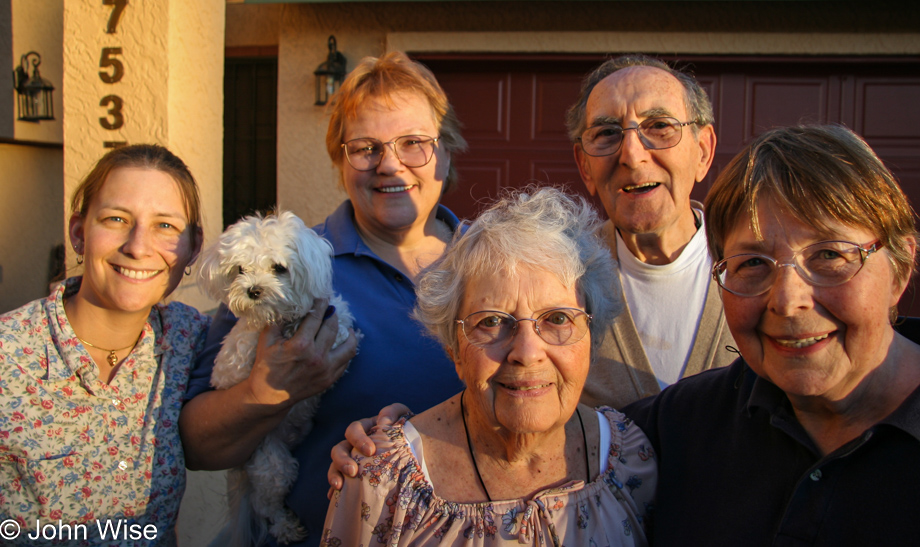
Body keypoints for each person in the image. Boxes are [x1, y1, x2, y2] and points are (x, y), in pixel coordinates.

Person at [179, 51, 469, 542]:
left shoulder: (493, 263)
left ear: (446, 150)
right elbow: (199, 447)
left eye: (414, 143)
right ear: (339, 158)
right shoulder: (289, 264)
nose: (390, 164)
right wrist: (264, 391)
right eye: (365, 147)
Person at [626, 124, 920, 545]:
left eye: (830, 254)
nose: (787, 300)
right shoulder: (681, 427)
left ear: (900, 268)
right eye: (753, 263)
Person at [322, 186, 657, 545]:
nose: (527, 352)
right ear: (454, 348)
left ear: (591, 336)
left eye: (558, 318)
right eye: (493, 321)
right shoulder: (381, 479)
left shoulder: (629, 459)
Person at [0, 144, 209, 544]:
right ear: (80, 233)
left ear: (193, 247)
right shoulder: (9, 354)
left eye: (166, 226)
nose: (137, 245)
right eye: (116, 219)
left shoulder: (190, 339)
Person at [567, 55, 735, 407]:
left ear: (702, 152)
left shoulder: (760, 269)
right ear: (585, 167)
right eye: (607, 133)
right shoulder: (561, 276)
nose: (632, 154)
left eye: (659, 126)